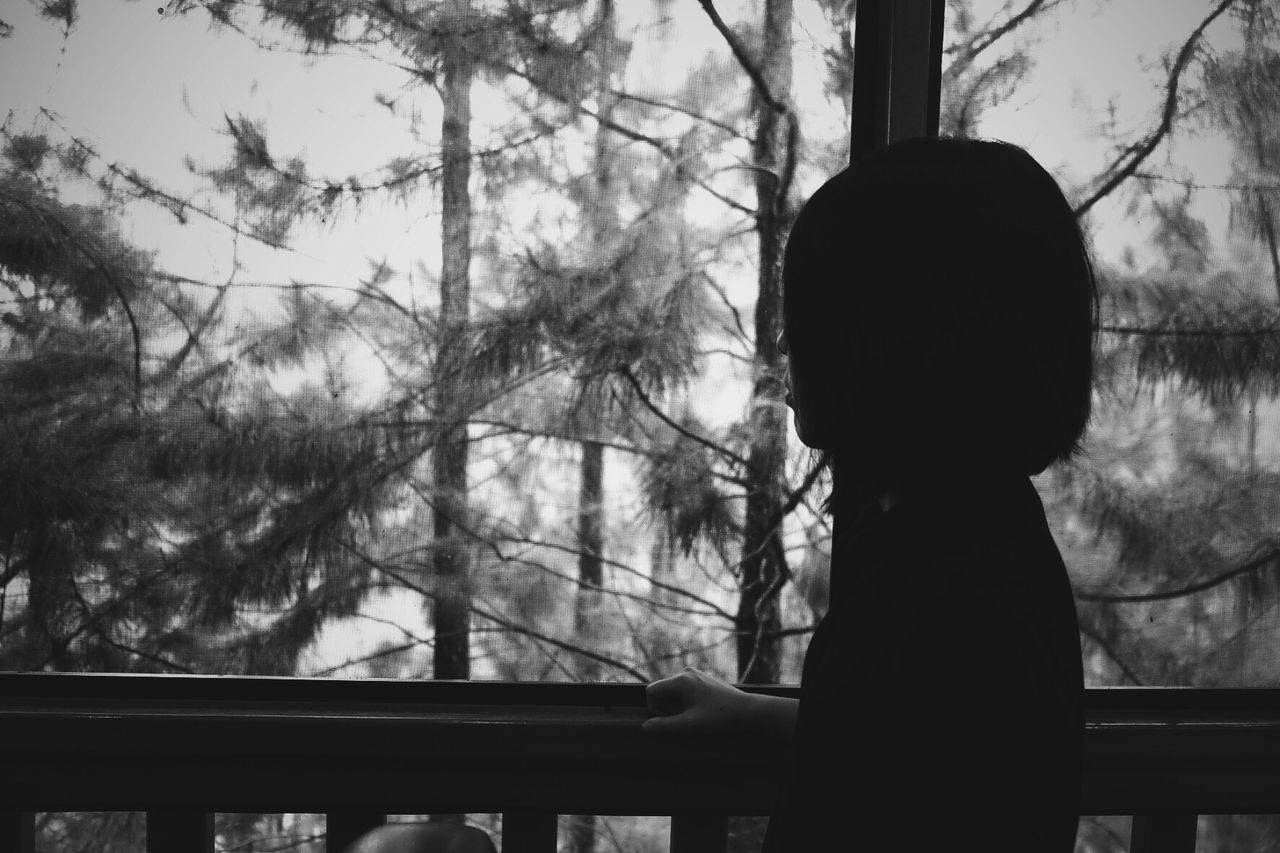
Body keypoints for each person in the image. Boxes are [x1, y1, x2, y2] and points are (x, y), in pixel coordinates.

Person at [642, 137, 1097, 851]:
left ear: (902, 345)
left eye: (816, 323)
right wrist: (756, 718)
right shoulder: (969, 539)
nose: (787, 346)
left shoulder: (955, 589)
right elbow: (908, 750)